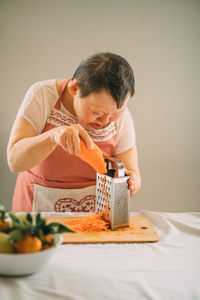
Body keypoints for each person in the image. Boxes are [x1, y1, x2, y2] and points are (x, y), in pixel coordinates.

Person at [7, 52, 141, 212]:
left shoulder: (122, 118)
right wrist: (53, 136)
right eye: (97, 112)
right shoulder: (42, 95)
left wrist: (132, 182)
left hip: (95, 220)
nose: (105, 121)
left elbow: (133, 173)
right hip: (37, 213)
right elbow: (15, 162)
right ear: (74, 88)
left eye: (115, 113)